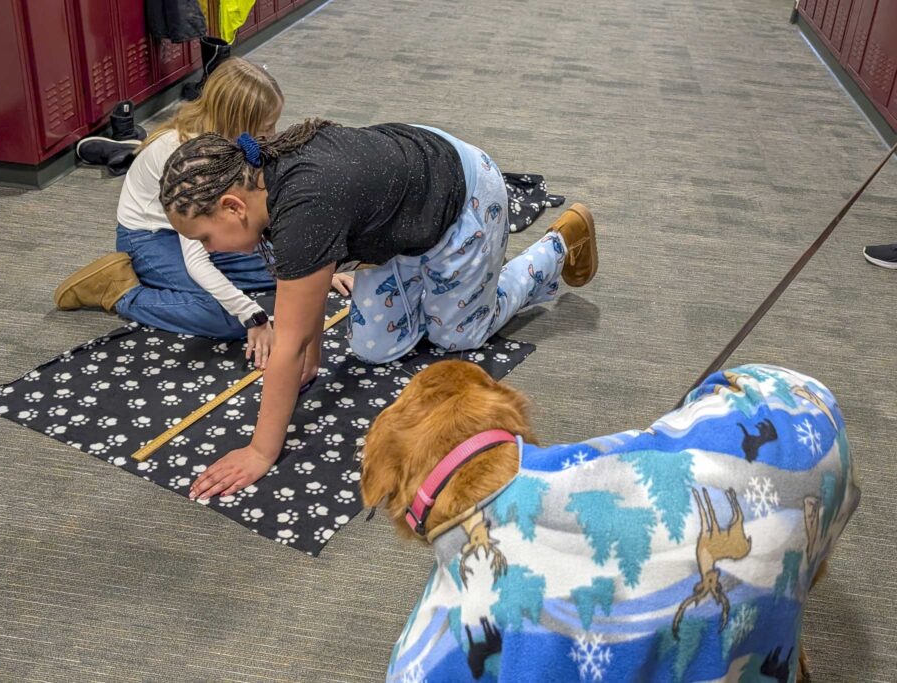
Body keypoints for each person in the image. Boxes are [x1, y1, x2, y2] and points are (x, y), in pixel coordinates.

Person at [158, 119, 599, 500]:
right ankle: (440, 279)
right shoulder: (265, 185)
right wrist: (310, 360)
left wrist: (260, 451)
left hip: (463, 195)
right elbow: (300, 293)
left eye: (204, 239)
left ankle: (557, 246)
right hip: (399, 216)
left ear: (234, 206)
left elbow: (287, 341)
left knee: (457, 336)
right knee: (373, 348)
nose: (207, 250)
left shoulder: (305, 208)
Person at [52, 58, 353, 368]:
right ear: (236, 120)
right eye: (265, 128)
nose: (271, 136)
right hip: (151, 239)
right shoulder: (192, 158)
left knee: (283, 273)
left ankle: (170, 284)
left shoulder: (225, 142)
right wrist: (254, 318)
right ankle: (119, 289)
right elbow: (197, 257)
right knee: (230, 319)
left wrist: (312, 267)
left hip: (200, 234)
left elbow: (256, 217)